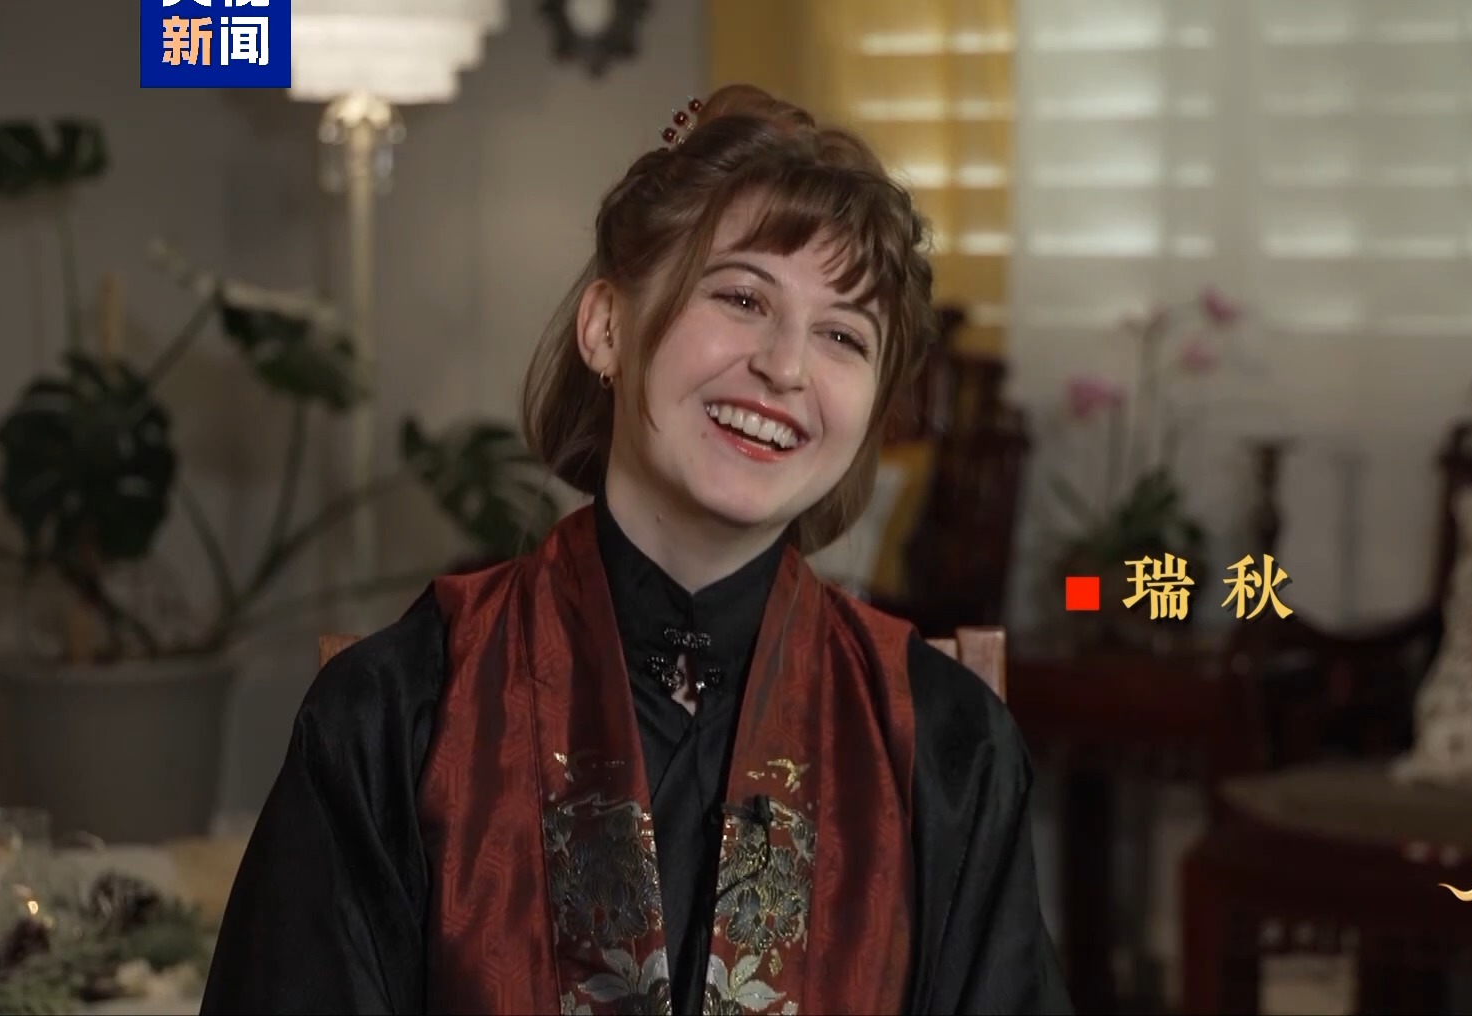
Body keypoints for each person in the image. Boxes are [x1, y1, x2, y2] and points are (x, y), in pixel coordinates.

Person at [200, 84, 1071, 1016]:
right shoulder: (400, 711)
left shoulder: (945, 745)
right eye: (742, 296)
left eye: (843, 336)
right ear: (606, 326)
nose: (785, 367)